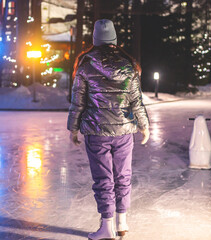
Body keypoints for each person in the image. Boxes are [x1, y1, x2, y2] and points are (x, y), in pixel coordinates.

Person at [67, 19, 150, 240]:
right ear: (114, 39)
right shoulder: (128, 65)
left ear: (95, 40)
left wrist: (73, 128)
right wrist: (144, 125)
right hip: (124, 131)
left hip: (96, 132)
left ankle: (107, 227)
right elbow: (136, 101)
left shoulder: (84, 66)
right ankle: (122, 222)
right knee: (123, 175)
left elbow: (78, 102)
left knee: (103, 179)